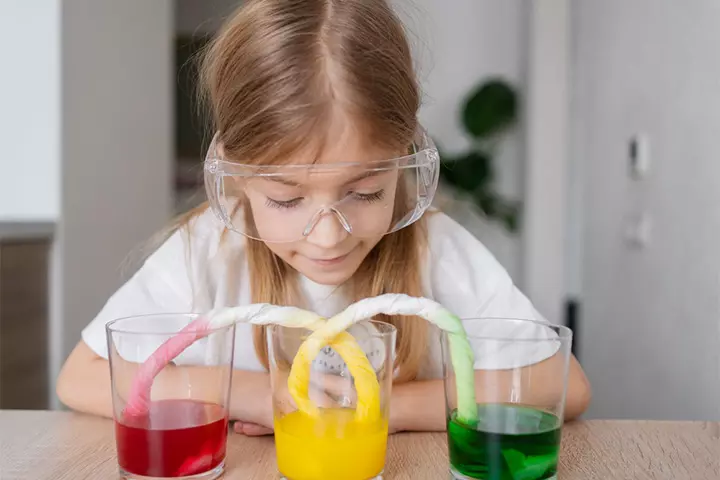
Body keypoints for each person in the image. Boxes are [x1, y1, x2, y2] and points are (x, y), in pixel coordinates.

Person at [56, 0, 591, 435]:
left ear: (403, 162)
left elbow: (562, 382)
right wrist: (250, 395)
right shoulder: (208, 254)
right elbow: (80, 378)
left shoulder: (436, 250)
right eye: (288, 201)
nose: (331, 235)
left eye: (365, 192)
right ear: (237, 177)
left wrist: (386, 406)